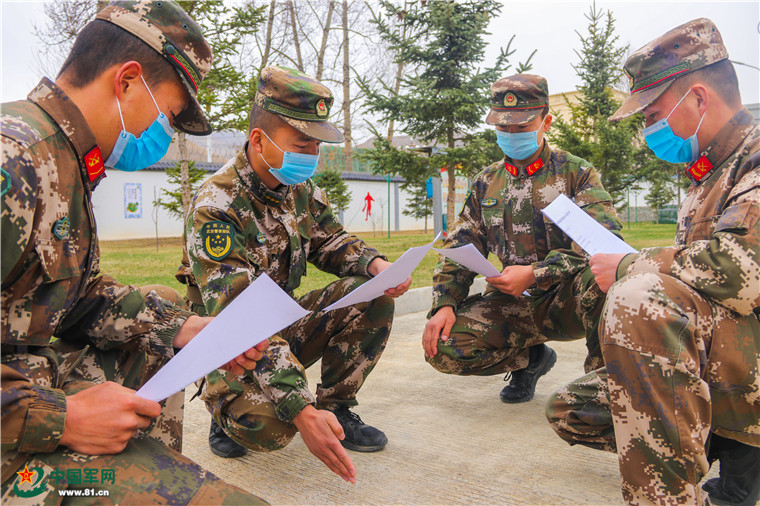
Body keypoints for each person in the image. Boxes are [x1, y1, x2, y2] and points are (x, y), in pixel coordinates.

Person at [1, 1, 268, 502]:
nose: (162, 136)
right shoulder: (15, 160)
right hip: (16, 433)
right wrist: (60, 418)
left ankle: (152, 464)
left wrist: (183, 327)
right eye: (167, 115)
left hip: (29, 392)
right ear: (126, 81)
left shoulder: (64, 159)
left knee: (158, 319)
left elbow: (71, 296)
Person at [545, 18, 760, 505]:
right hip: (728, 360)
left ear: (699, 99)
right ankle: (725, 448)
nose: (648, 130)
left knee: (641, 295)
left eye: (653, 114)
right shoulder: (709, 173)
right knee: (576, 408)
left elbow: (741, 271)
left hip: (748, 359)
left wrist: (629, 266)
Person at [176, 66, 412, 483]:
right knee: (273, 428)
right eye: (301, 145)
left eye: (316, 148)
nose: (310, 157)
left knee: (371, 295)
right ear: (258, 140)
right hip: (228, 342)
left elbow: (330, 240)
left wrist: (375, 265)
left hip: (281, 324)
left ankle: (336, 406)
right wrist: (299, 410)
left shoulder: (300, 191)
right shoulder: (217, 206)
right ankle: (222, 405)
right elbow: (241, 316)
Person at [422, 74, 623, 404]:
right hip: (513, 302)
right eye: (504, 128)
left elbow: (605, 241)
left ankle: (600, 391)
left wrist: (536, 273)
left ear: (546, 122)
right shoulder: (487, 182)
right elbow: (460, 245)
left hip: (568, 301)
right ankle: (531, 361)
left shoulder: (575, 173)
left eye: (522, 127)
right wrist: (444, 302)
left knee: (607, 283)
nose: (511, 135)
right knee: (443, 347)